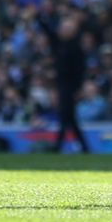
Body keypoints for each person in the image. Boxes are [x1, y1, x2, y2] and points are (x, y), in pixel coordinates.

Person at [39, 11, 90, 153]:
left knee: (65, 117)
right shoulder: (59, 45)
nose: (63, 30)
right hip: (62, 85)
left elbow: (80, 71)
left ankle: (57, 147)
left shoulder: (76, 48)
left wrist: (78, 89)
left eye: (67, 28)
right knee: (70, 119)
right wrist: (40, 17)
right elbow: (48, 32)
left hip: (70, 87)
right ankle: (84, 148)